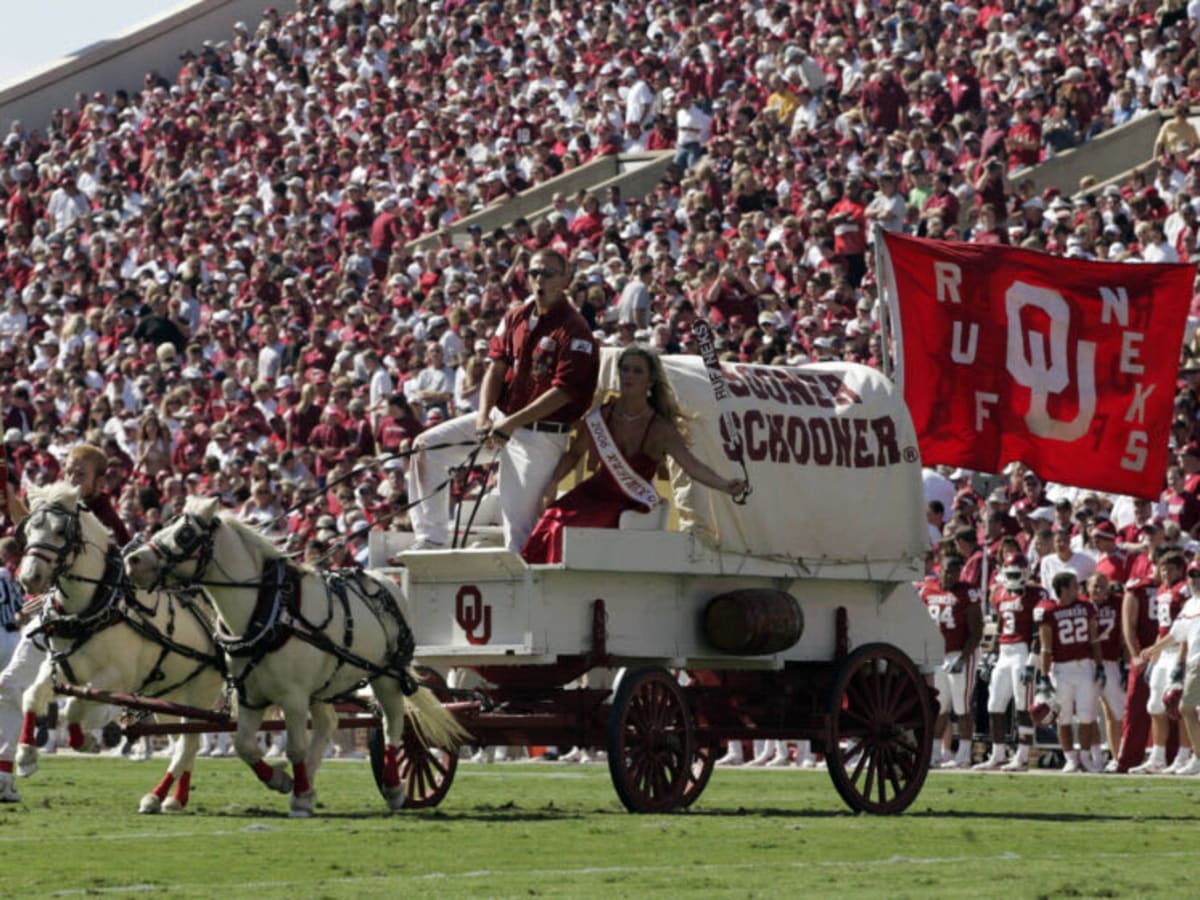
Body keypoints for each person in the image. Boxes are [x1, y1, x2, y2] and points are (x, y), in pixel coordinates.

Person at [407, 249, 599, 552]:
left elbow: (564, 392)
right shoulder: (516, 317)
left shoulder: (575, 329)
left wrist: (508, 424)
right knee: (425, 447)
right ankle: (430, 539)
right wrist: (484, 416)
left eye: (548, 273)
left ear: (565, 279)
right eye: (534, 272)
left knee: (519, 536)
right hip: (501, 419)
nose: (539, 279)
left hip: (540, 435)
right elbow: (495, 367)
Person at [521, 345, 746, 565]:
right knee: (553, 519)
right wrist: (552, 484)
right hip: (593, 492)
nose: (629, 375)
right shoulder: (602, 416)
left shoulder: (660, 427)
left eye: (637, 371)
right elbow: (574, 454)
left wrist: (725, 485)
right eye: (625, 369)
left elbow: (692, 466)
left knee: (578, 528)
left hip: (630, 500)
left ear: (650, 381)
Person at [975, 553, 1044, 771]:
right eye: (1010, 573)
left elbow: (1040, 632)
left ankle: (1023, 757)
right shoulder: (998, 593)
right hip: (1004, 653)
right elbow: (998, 627)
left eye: (1017, 573)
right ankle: (998, 754)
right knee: (994, 704)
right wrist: (990, 654)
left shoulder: (1036, 594)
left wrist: (1033, 661)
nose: (1014, 578)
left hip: (1023, 651)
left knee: (1023, 706)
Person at [1035, 570, 1105, 773]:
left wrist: (1099, 665)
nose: (1079, 588)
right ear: (1063, 589)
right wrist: (1043, 676)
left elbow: (1094, 640)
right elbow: (1045, 647)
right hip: (1061, 670)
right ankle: (1070, 758)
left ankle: (1084, 756)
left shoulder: (1086, 606)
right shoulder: (1047, 610)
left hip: (1084, 667)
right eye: (1074, 585)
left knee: (1086, 716)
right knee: (1063, 717)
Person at [920, 554, 983, 768]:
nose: (951, 576)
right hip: (938, 655)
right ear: (940, 570)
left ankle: (964, 754)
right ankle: (935, 753)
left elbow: (977, 631)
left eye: (955, 572)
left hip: (960, 653)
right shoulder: (928, 589)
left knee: (962, 706)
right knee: (939, 706)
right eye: (948, 571)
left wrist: (963, 659)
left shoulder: (968, 592)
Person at [63, 444, 131, 547]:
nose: (72, 480)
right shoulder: (59, 507)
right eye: (68, 473)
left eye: (81, 474)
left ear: (100, 481)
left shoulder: (107, 522)